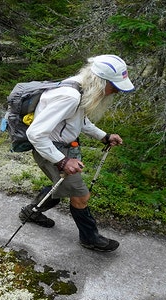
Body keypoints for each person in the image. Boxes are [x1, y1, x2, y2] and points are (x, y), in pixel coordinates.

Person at [19, 54, 134, 252]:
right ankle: (90, 238)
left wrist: (104, 136)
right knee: (81, 195)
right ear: (101, 81)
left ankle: (31, 212)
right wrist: (63, 162)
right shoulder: (69, 95)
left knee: (62, 186)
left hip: (63, 148)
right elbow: (35, 134)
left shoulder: (81, 87)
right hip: (52, 150)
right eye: (114, 86)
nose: (115, 91)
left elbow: (80, 120)